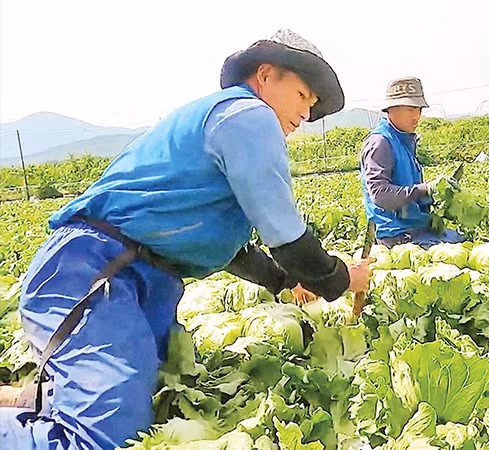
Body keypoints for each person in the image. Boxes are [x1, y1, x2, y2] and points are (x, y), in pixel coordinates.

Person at [0, 29, 371, 449]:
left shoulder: (228, 127)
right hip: (94, 270)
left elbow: (233, 250)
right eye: (303, 95)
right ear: (265, 75)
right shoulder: (247, 115)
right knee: (102, 438)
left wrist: (285, 281)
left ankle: (26, 406)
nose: (306, 114)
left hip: (140, 279)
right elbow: (286, 236)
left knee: (147, 406)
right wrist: (340, 278)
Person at [360, 77, 466, 248]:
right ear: (391, 109)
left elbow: (410, 194)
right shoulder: (381, 142)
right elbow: (380, 195)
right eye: (411, 109)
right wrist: (425, 189)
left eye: (419, 110)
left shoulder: (403, 141)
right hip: (397, 235)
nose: (417, 116)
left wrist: (438, 194)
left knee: (465, 241)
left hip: (417, 226)